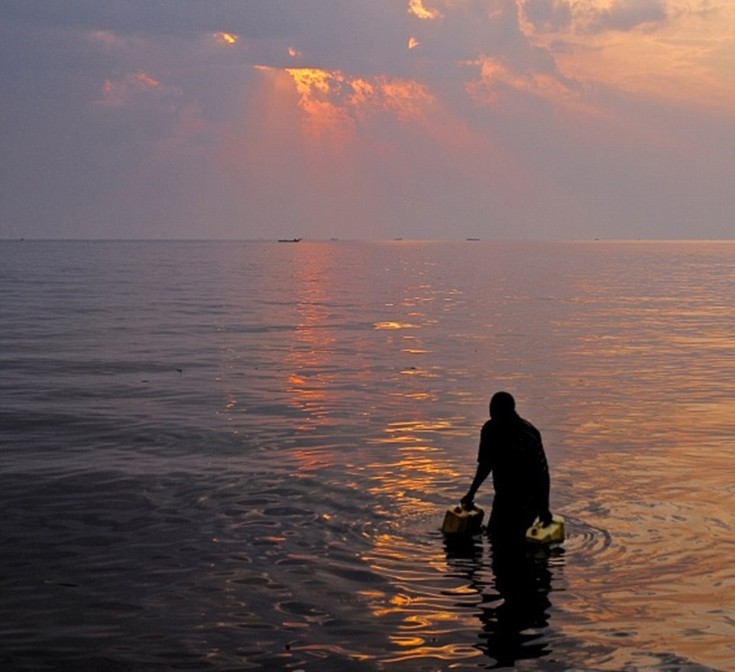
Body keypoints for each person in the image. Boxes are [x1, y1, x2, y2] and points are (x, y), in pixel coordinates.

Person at [461, 391, 553, 548]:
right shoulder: (489, 430)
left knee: (516, 543)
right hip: (503, 496)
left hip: (527, 498)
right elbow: (485, 466)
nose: (494, 418)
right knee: (495, 539)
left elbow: (542, 474)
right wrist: (471, 493)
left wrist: (544, 508)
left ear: (511, 412)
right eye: (492, 413)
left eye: (498, 414)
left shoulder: (528, 435)